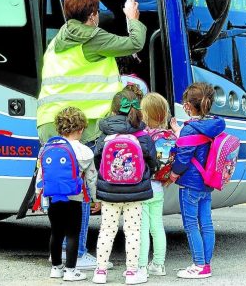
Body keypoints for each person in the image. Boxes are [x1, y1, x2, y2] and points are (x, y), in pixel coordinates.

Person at [36, 0, 147, 269]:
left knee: (59, 191)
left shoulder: (58, 40)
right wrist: (131, 18)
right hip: (79, 126)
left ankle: (60, 252)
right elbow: (135, 42)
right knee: (81, 192)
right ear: (93, 15)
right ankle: (78, 253)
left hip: (50, 122)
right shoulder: (91, 37)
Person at [92, 90, 157, 284]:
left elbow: (98, 160)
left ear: (113, 109)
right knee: (133, 232)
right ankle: (131, 273)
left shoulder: (105, 134)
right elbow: (152, 161)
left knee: (107, 230)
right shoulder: (142, 135)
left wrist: (106, 177)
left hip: (110, 190)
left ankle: (100, 272)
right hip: (135, 191)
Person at [164, 83, 226, 279]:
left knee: (191, 225)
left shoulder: (191, 129)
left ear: (188, 106)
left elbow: (183, 157)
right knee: (206, 224)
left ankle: (198, 265)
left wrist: (173, 174)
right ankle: (206, 264)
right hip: (207, 182)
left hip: (190, 183)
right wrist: (178, 131)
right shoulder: (213, 124)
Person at [37, 107, 100, 281]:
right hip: (75, 199)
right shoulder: (85, 152)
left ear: (59, 128)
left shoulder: (47, 148)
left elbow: (41, 175)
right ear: (81, 129)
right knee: (73, 234)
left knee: (56, 233)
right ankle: (71, 272)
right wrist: (96, 199)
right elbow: (92, 179)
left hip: (53, 198)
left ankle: (56, 268)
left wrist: (39, 197)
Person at [137, 93, 171, 276]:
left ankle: (141, 265)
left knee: (142, 228)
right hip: (159, 187)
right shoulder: (169, 135)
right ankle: (158, 264)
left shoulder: (143, 136)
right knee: (157, 226)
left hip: (143, 187)